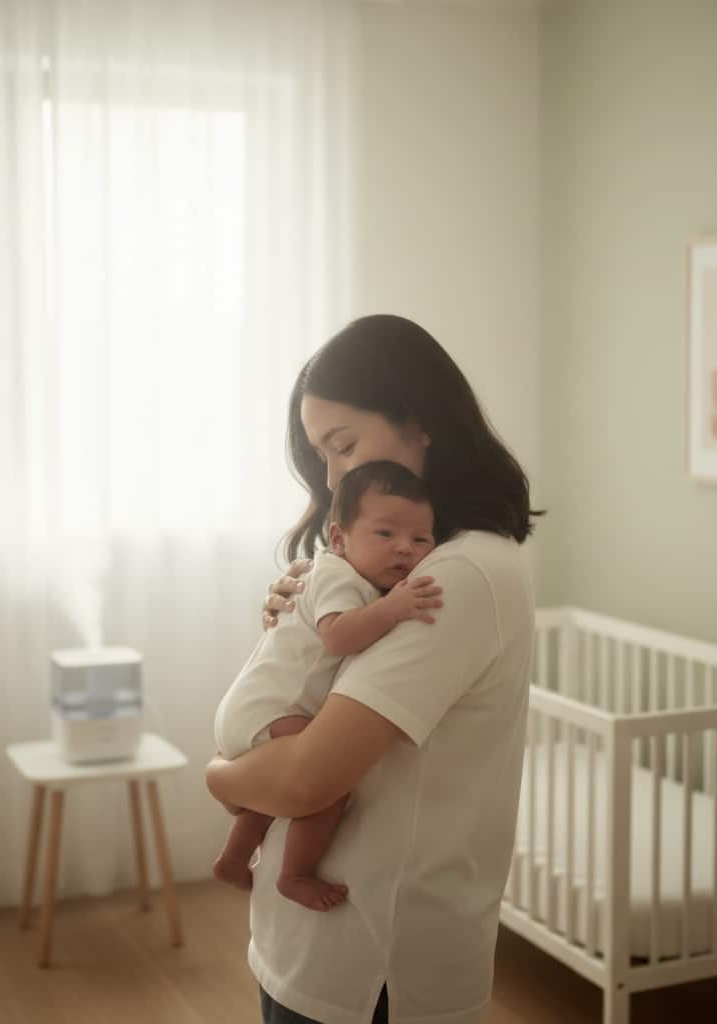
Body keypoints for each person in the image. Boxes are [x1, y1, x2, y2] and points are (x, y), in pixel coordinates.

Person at [206, 314, 542, 1024]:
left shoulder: (460, 574)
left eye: (344, 445)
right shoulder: (401, 572)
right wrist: (295, 626)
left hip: (374, 964)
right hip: (319, 937)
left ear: (419, 422)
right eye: (322, 455)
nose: (333, 475)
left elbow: (304, 778)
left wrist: (222, 778)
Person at [212, 460, 442, 913]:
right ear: (339, 538)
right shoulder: (338, 574)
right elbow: (338, 634)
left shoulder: (349, 577)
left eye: (420, 539)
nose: (404, 549)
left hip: (250, 710)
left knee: (278, 786)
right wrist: (395, 608)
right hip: (271, 710)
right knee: (327, 782)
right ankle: (295, 873)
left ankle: (234, 858)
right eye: (385, 534)